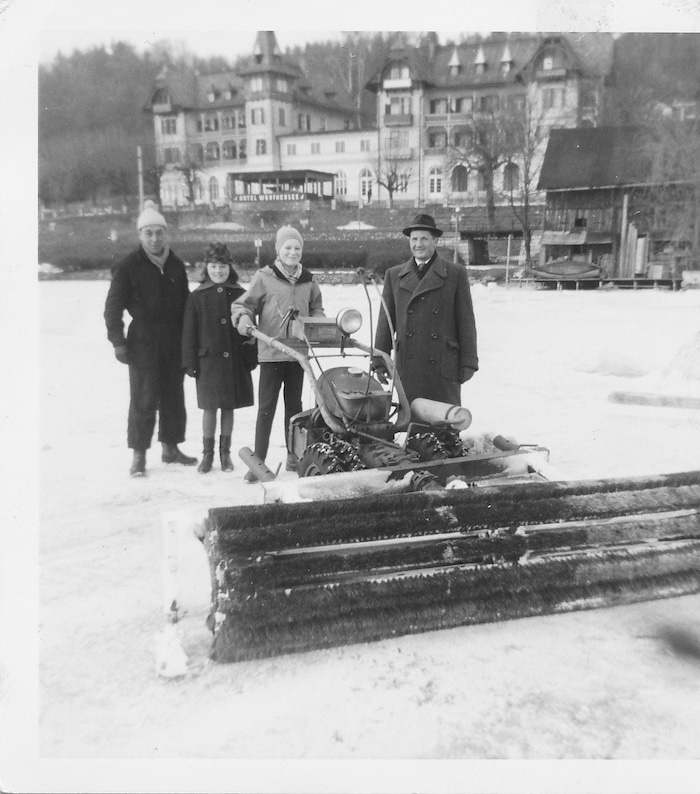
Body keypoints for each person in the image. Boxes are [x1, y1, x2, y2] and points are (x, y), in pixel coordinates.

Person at [104, 200, 197, 476]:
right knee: (143, 399)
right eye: (149, 233)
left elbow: (186, 305)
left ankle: (170, 449)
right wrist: (118, 341)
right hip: (142, 340)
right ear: (140, 235)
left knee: (173, 397)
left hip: (173, 338)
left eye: (159, 232)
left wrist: (189, 341)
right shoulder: (128, 266)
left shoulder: (176, 265)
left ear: (166, 233)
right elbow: (113, 307)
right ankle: (139, 455)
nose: (155, 238)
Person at [231, 225, 325, 482]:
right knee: (266, 408)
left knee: (294, 409)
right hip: (271, 351)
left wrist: (318, 323)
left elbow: (316, 307)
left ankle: (294, 458)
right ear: (278, 250)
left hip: (297, 354)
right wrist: (244, 319)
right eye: (288, 248)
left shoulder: (309, 280)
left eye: (297, 248)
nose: (292, 253)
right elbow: (244, 305)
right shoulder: (265, 277)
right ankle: (257, 463)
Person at [372, 212, 478, 407]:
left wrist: (469, 361)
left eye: (424, 239)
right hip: (409, 365)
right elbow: (385, 323)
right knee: (412, 421)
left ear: (435, 241)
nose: (418, 244)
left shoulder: (455, 274)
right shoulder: (394, 275)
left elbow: (466, 322)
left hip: (443, 366)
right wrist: (379, 361)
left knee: (444, 422)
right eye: (414, 239)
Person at [181, 243, 257, 473]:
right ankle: (208, 455)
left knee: (228, 408)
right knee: (210, 409)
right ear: (207, 268)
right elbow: (189, 332)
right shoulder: (197, 296)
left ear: (230, 268)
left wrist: (250, 357)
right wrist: (190, 362)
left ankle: (225, 455)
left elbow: (251, 328)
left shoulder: (241, 294)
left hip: (234, 361)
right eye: (214, 266)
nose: (218, 271)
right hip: (208, 363)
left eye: (223, 267)